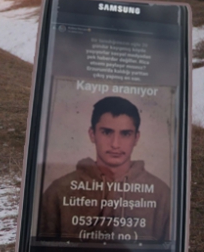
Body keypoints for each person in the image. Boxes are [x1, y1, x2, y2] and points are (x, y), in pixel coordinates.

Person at [38, 96, 171, 241]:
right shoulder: (58, 191)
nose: (115, 144)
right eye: (107, 132)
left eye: (125, 134)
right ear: (92, 134)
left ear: (136, 138)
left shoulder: (161, 194)